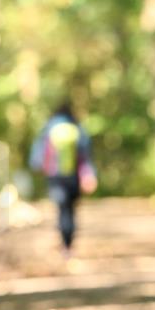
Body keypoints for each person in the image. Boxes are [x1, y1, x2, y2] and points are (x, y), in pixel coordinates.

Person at [29, 102, 97, 254]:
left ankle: (64, 246)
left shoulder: (48, 128)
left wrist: (38, 167)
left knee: (62, 210)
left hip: (55, 177)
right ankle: (69, 243)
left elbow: (37, 155)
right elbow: (85, 157)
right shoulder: (77, 128)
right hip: (73, 178)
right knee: (71, 210)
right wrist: (89, 175)